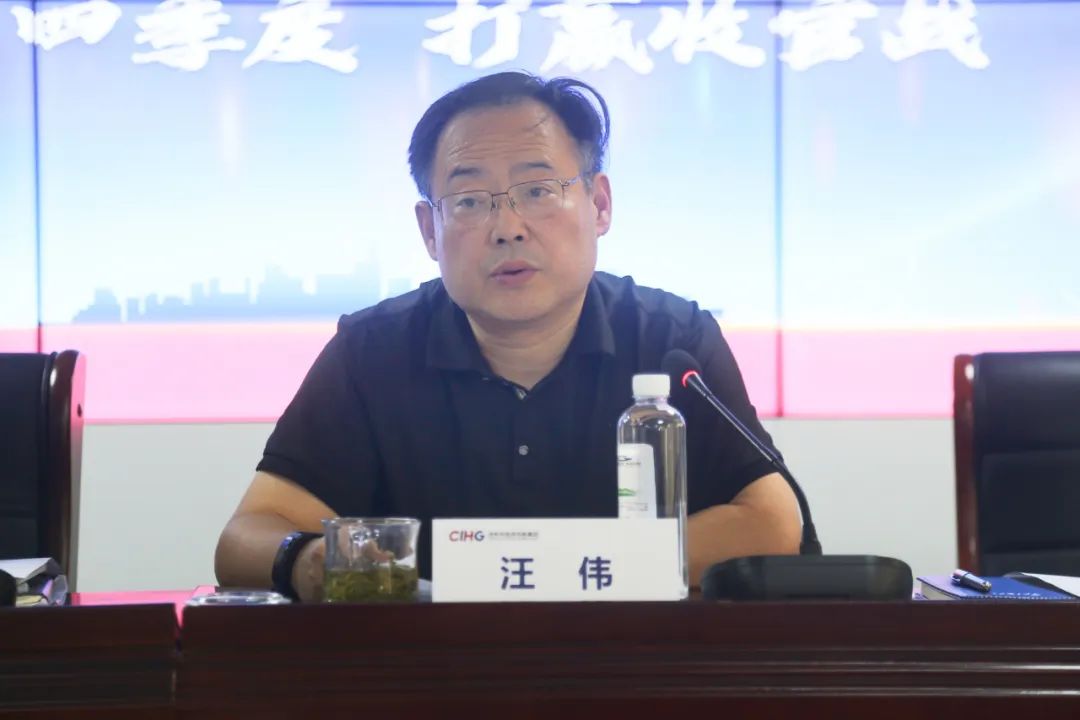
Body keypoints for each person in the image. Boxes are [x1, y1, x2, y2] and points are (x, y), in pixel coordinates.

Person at [215, 71, 801, 602]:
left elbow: (772, 524)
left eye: (538, 190)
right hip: (434, 670)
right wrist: (310, 561)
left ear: (599, 204)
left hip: (631, 666)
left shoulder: (673, 340)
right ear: (430, 230)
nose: (507, 228)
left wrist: (534, 567)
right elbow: (248, 535)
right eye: (470, 201)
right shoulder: (371, 352)